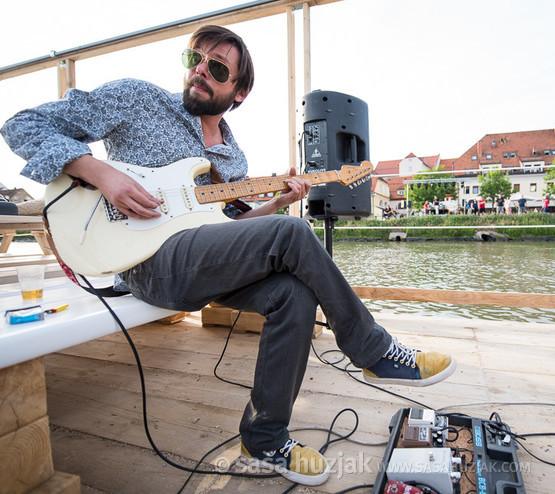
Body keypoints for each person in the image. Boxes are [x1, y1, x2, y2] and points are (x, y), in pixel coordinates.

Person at [1, 25, 455, 487]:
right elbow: (21, 125)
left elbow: (231, 231)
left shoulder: (231, 157)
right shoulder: (135, 98)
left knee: (292, 292)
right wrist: (99, 172)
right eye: (194, 58)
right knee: (293, 235)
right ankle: (373, 350)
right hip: (146, 262)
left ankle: (264, 440)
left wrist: (276, 205)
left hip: (201, 260)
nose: (200, 70)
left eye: (217, 68)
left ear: (239, 92)